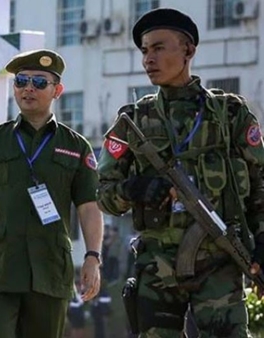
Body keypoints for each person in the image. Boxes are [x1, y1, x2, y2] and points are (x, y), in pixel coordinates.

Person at [97, 8, 264, 337]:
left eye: (159, 48)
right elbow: (103, 195)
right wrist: (136, 188)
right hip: (157, 266)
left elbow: (260, 184)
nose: (149, 59)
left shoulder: (230, 114)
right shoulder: (133, 120)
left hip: (221, 260)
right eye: (144, 51)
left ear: (188, 50)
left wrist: (261, 241)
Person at [0, 49, 103, 338]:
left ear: (57, 90)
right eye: (21, 81)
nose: (28, 88)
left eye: (39, 82)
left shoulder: (76, 146)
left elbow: (89, 207)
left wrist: (93, 257)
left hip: (50, 270)